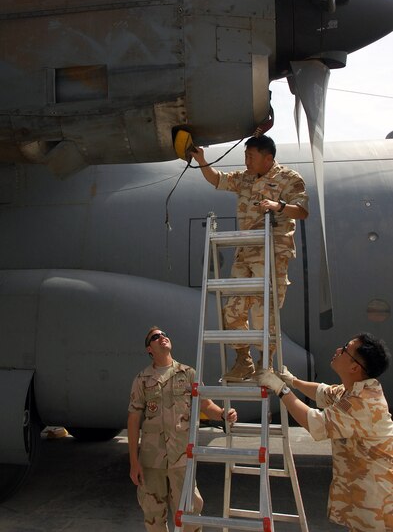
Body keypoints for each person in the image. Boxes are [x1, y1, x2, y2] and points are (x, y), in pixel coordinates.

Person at [191, 135, 309, 381]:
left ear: (268, 158)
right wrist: (201, 160)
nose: (246, 161)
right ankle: (243, 360)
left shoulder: (289, 178)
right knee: (231, 311)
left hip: (271, 251)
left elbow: (302, 211)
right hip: (245, 251)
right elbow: (217, 180)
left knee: (263, 311)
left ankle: (266, 364)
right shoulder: (244, 178)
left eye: (251, 157)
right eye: (245, 156)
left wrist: (278, 206)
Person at [258, 332, 393, 532]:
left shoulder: (363, 403)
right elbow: (324, 393)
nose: (339, 350)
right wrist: (292, 381)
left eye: (346, 349)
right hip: (365, 498)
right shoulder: (355, 390)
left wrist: (281, 389)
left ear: (354, 367)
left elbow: (316, 424)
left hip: (376, 504)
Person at [127, 326, 237, 532]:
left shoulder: (187, 374)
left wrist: (223, 414)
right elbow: (133, 421)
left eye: (164, 334)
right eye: (155, 337)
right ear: (149, 349)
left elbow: (206, 405)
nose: (162, 338)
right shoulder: (142, 380)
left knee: (189, 516)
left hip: (181, 459)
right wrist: (134, 462)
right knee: (153, 517)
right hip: (152, 462)